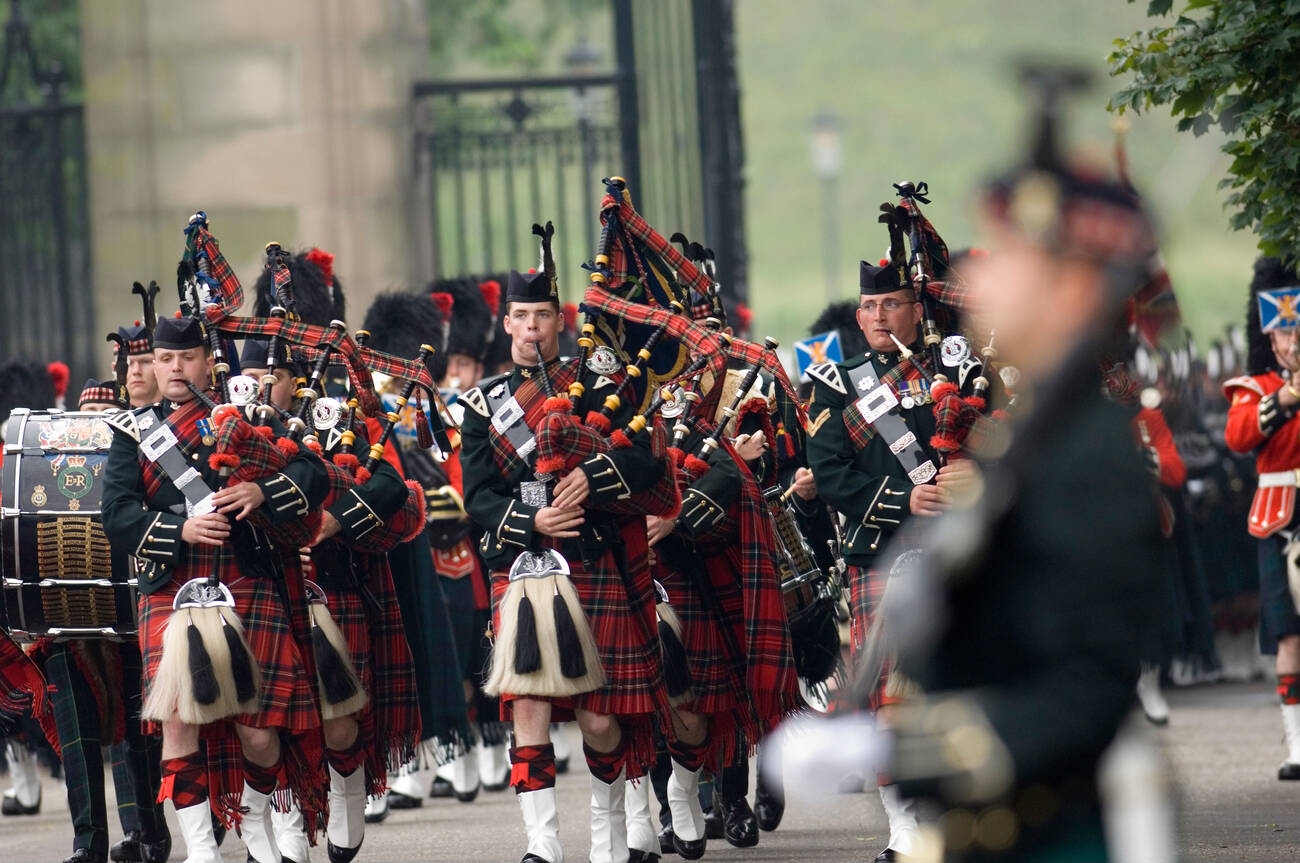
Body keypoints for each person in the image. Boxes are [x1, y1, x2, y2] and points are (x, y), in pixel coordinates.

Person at [885, 70, 1168, 861]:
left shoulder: (1087, 456)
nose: (979, 279)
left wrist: (909, 751)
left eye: (1008, 254)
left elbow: (1083, 690)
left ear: (1072, 290)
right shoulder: (1035, 433)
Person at [460, 244, 674, 863]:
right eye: (522, 317)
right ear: (507, 324)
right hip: (527, 566)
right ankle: (543, 846)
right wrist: (534, 518)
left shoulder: (605, 385)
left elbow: (647, 460)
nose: (532, 328)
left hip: (596, 560)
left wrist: (596, 475)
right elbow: (478, 493)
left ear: (562, 320)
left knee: (601, 720)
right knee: (526, 703)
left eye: (543, 316)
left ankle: (611, 837)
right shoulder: (483, 405)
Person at [100, 315, 329, 863]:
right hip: (172, 585)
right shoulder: (131, 432)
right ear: (153, 365)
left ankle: (256, 827)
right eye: (164, 359)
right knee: (178, 721)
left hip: (244, 576)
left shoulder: (249, 418)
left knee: (259, 731)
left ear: (208, 361)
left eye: (187, 357)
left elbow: (314, 475)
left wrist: (261, 488)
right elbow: (116, 512)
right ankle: (202, 851)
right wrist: (178, 530)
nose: (175, 368)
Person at [804, 252, 971, 861]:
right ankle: (903, 830)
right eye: (870, 305)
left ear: (916, 307)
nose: (878, 315)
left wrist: (971, 473)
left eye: (891, 303)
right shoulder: (837, 382)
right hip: (881, 556)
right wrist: (907, 498)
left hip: (960, 548)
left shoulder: (960, 372)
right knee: (891, 698)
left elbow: (995, 436)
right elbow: (828, 471)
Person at [29, 356, 171, 863]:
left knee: (142, 735)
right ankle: (88, 843)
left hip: (134, 608)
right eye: (133, 364)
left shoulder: (160, 440)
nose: (138, 371)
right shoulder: (50, 447)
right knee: (78, 739)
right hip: (65, 610)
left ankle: (149, 834)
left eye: (149, 361)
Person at [1223, 256, 1300, 780]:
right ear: (1270, 340)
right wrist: (1289, 395)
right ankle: (1297, 745)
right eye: (1283, 335)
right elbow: (1241, 435)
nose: (1291, 343)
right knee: (1290, 637)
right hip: (1278, 518)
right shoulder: (1253, 387)